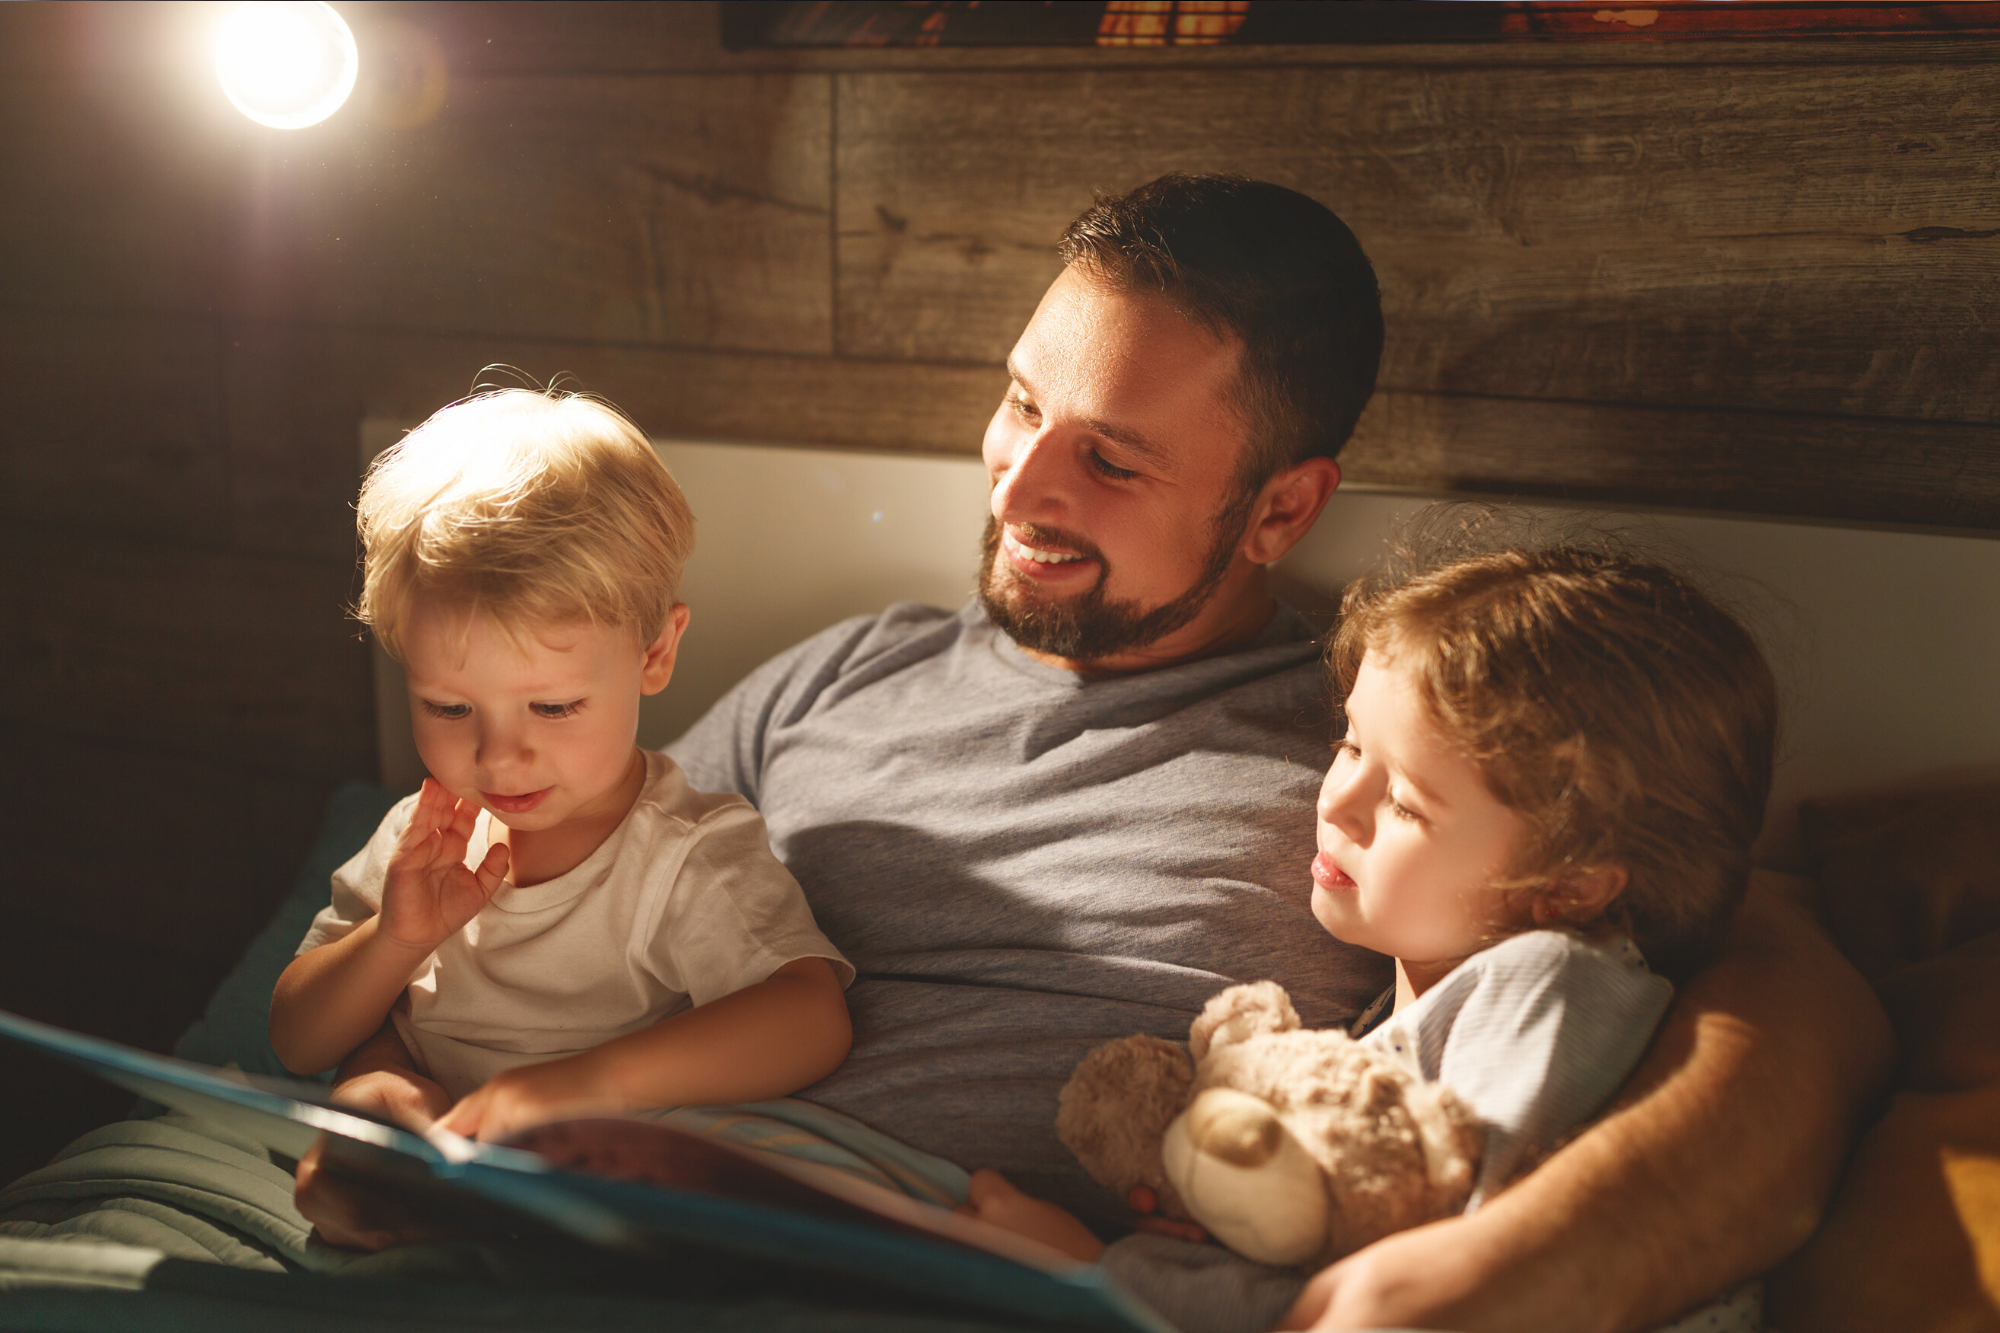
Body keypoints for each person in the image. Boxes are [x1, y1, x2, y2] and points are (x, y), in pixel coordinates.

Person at [302, 174, 1891, 1332]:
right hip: (641, 1220)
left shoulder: (1392, 753)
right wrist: (405, 1097)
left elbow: (1763, 959)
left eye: (1110, 458)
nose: (1019, 488)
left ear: (1281, 505)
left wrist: (1485, 1275)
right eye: (1019, 406)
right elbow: (546, 913)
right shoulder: (839, 675)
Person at [962, 534, 1782, 1333]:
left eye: (1405, 803)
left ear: (1568, 882)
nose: (1338, 801)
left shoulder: (1553, 985)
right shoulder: (1403, 1022)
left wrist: (1096, 1273)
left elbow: (1443, 1287)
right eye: (1350, 742)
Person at [270, 388, 853, 1146]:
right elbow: (295, 1038)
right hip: (434, 1172)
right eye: (449, 708)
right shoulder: (424, 837)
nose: (497, 755)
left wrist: (577, 1085)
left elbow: (810, 1017)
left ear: (655, 654)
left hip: (589, 1175)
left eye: (551, 708)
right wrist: (395, 940)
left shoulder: (683, 855)